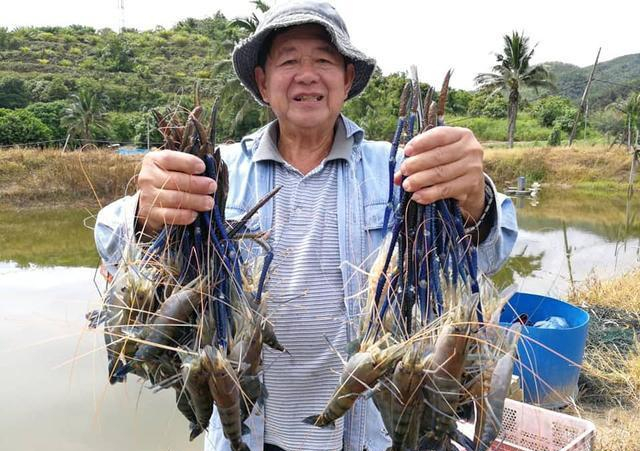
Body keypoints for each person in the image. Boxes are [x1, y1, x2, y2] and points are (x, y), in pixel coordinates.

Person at [94, 1, 518, 450]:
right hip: (251, 432)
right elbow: (110, 240)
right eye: (289, 60)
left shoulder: (402, 167)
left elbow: (491, 252)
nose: (307, 74)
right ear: (262, 81)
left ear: (347, 78)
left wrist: (475, 197)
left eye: (323, 60)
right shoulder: (212, 169)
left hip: (371, 433)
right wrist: (146, 211)